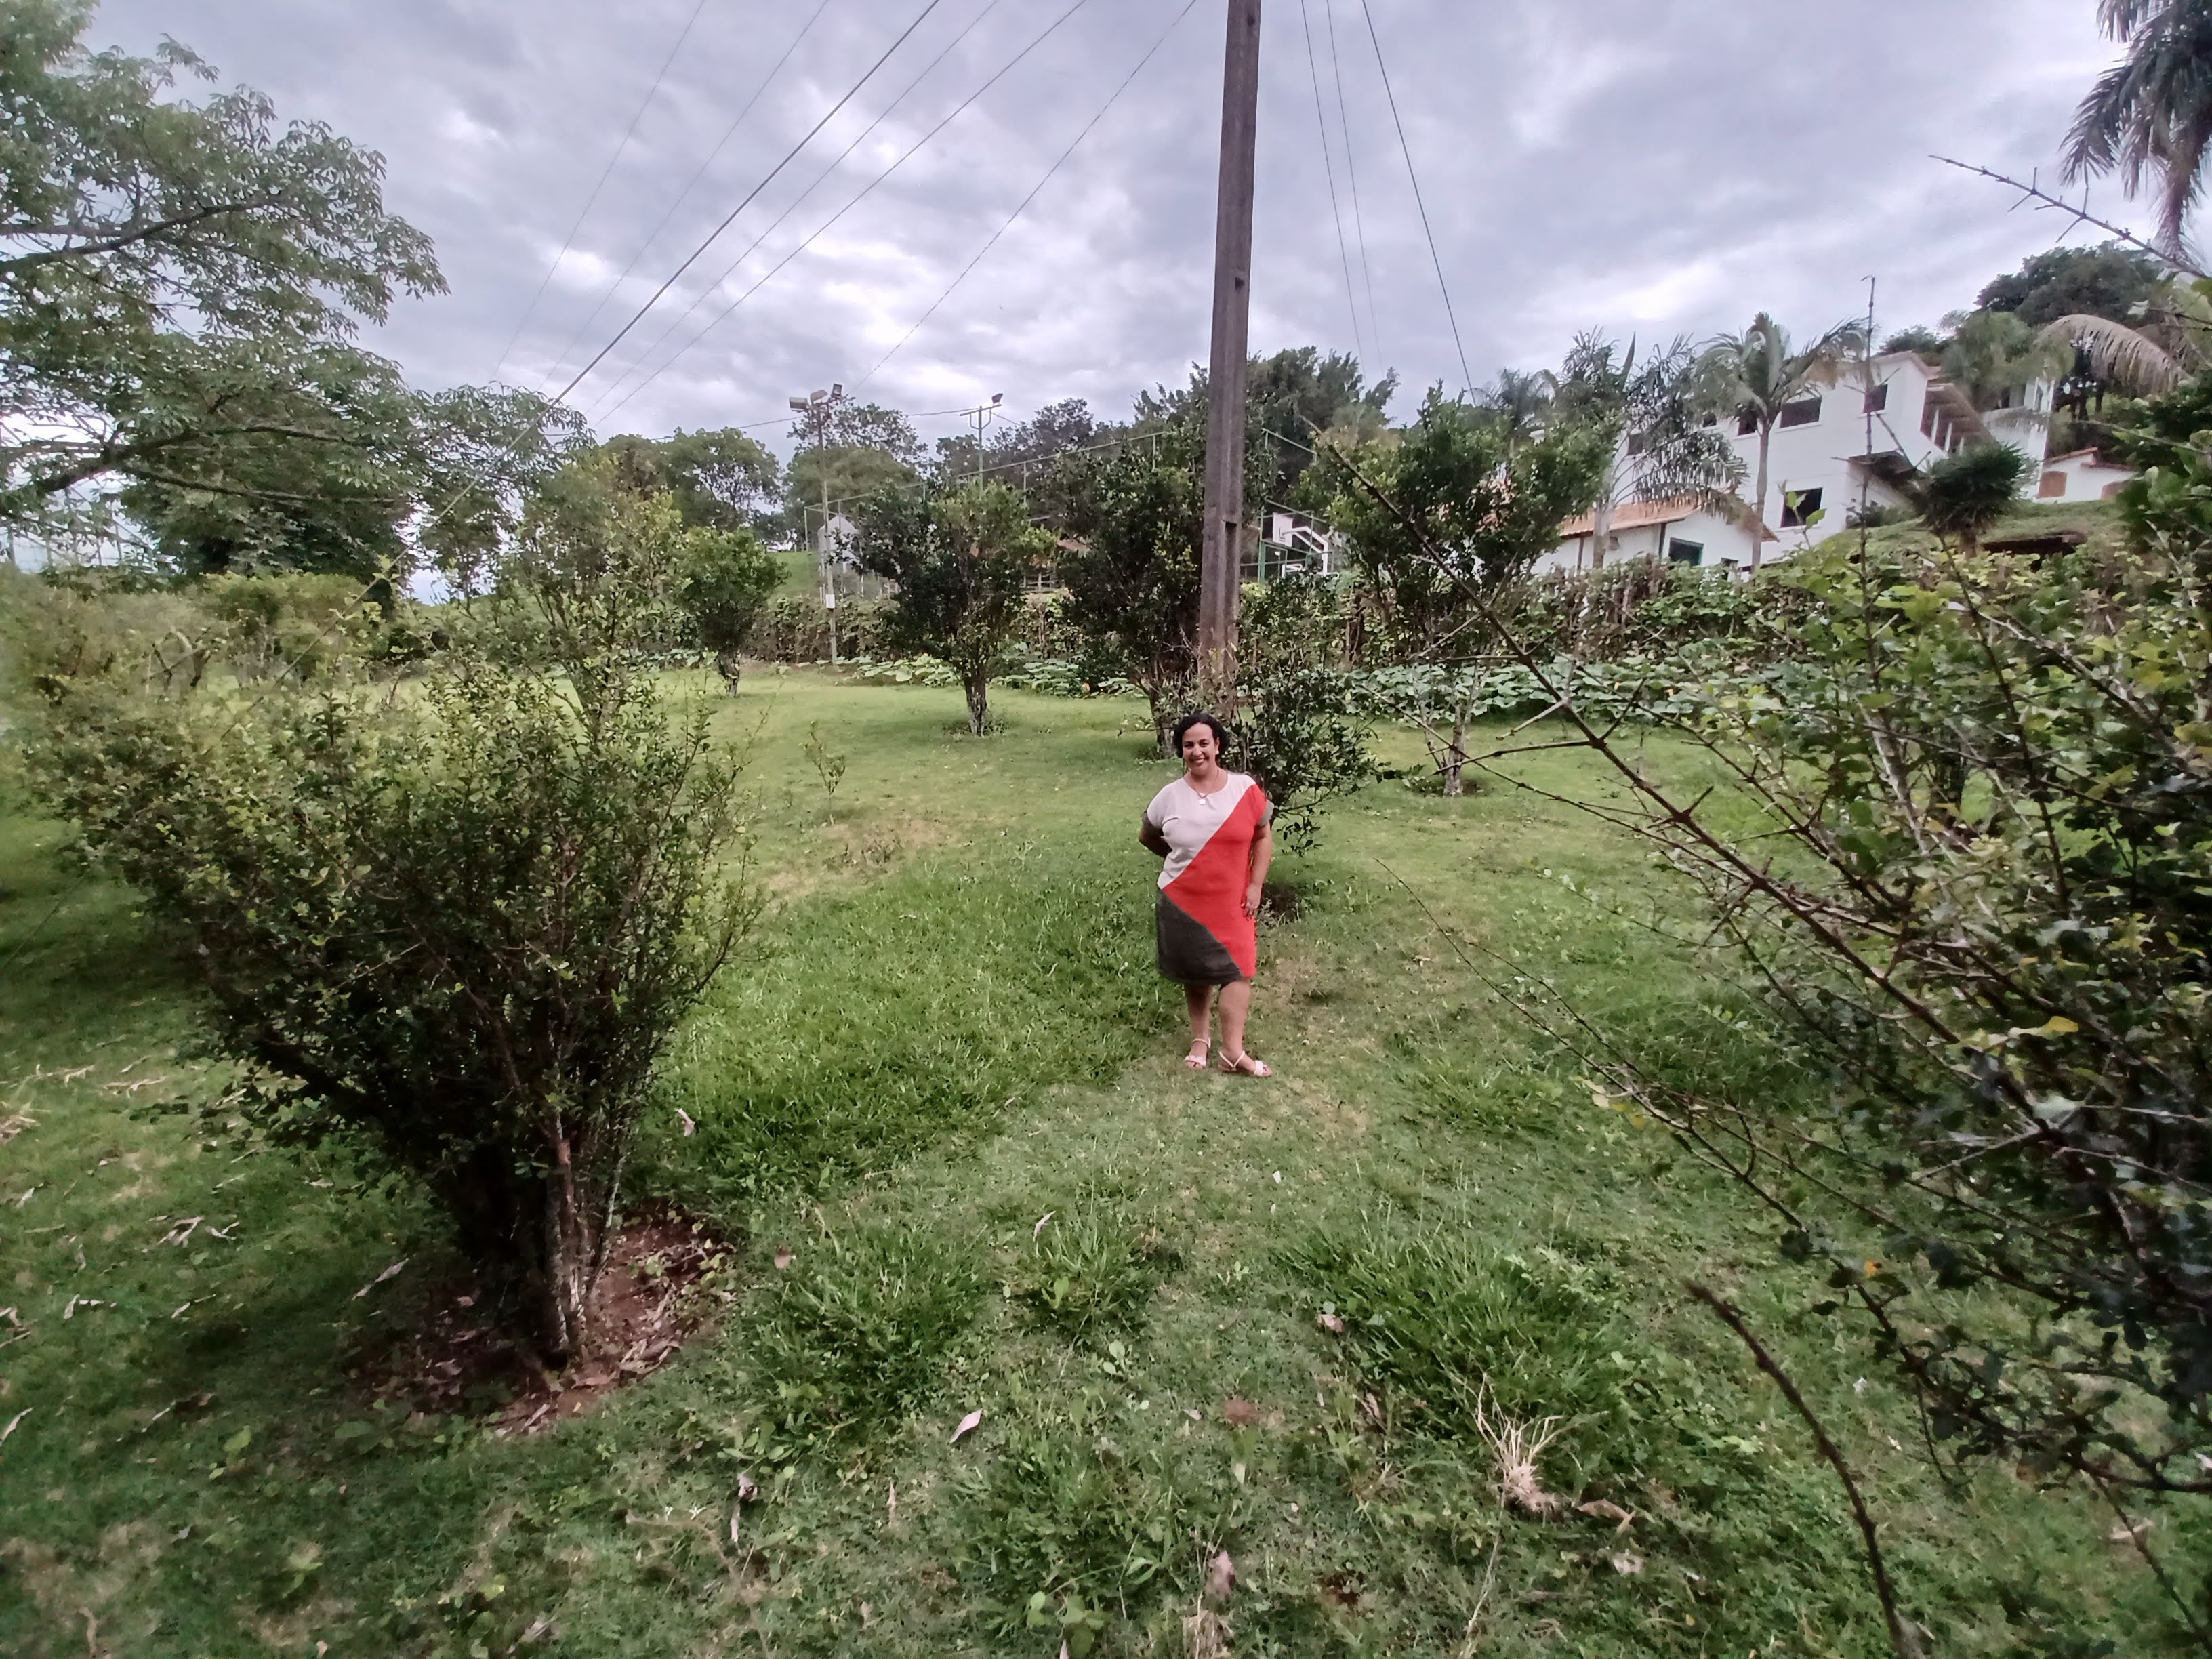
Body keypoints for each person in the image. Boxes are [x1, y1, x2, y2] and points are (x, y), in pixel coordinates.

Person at [1139, 711, 1274, 1077]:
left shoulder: (1244, 789)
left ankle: (1233, 1052)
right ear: (1181, 750)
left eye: (1203, 743)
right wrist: (1184, 862)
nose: (1196, 751)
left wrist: (1255, 884)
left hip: (1234, 900)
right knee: (1195, 971)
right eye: (1188, 745)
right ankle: (1200, 1039)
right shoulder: (1169, 796)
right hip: (1183, 899)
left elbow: (1263, 835)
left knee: (1240, 969)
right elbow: (1147, 834)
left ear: (1217, 745)